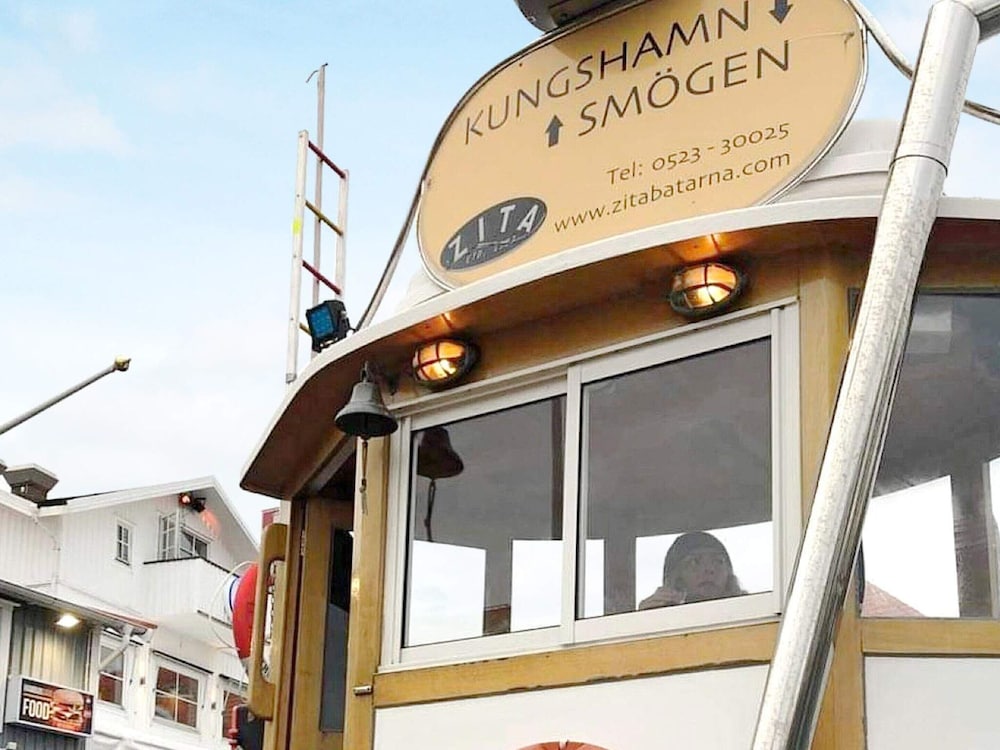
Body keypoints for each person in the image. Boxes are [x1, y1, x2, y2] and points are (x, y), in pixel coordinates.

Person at [638, 531, 744, 610]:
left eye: (718, 561)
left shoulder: (747, 612)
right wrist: (647, 618)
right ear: (677, 575)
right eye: (695, 562)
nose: (709, 569)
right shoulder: (665, 619)